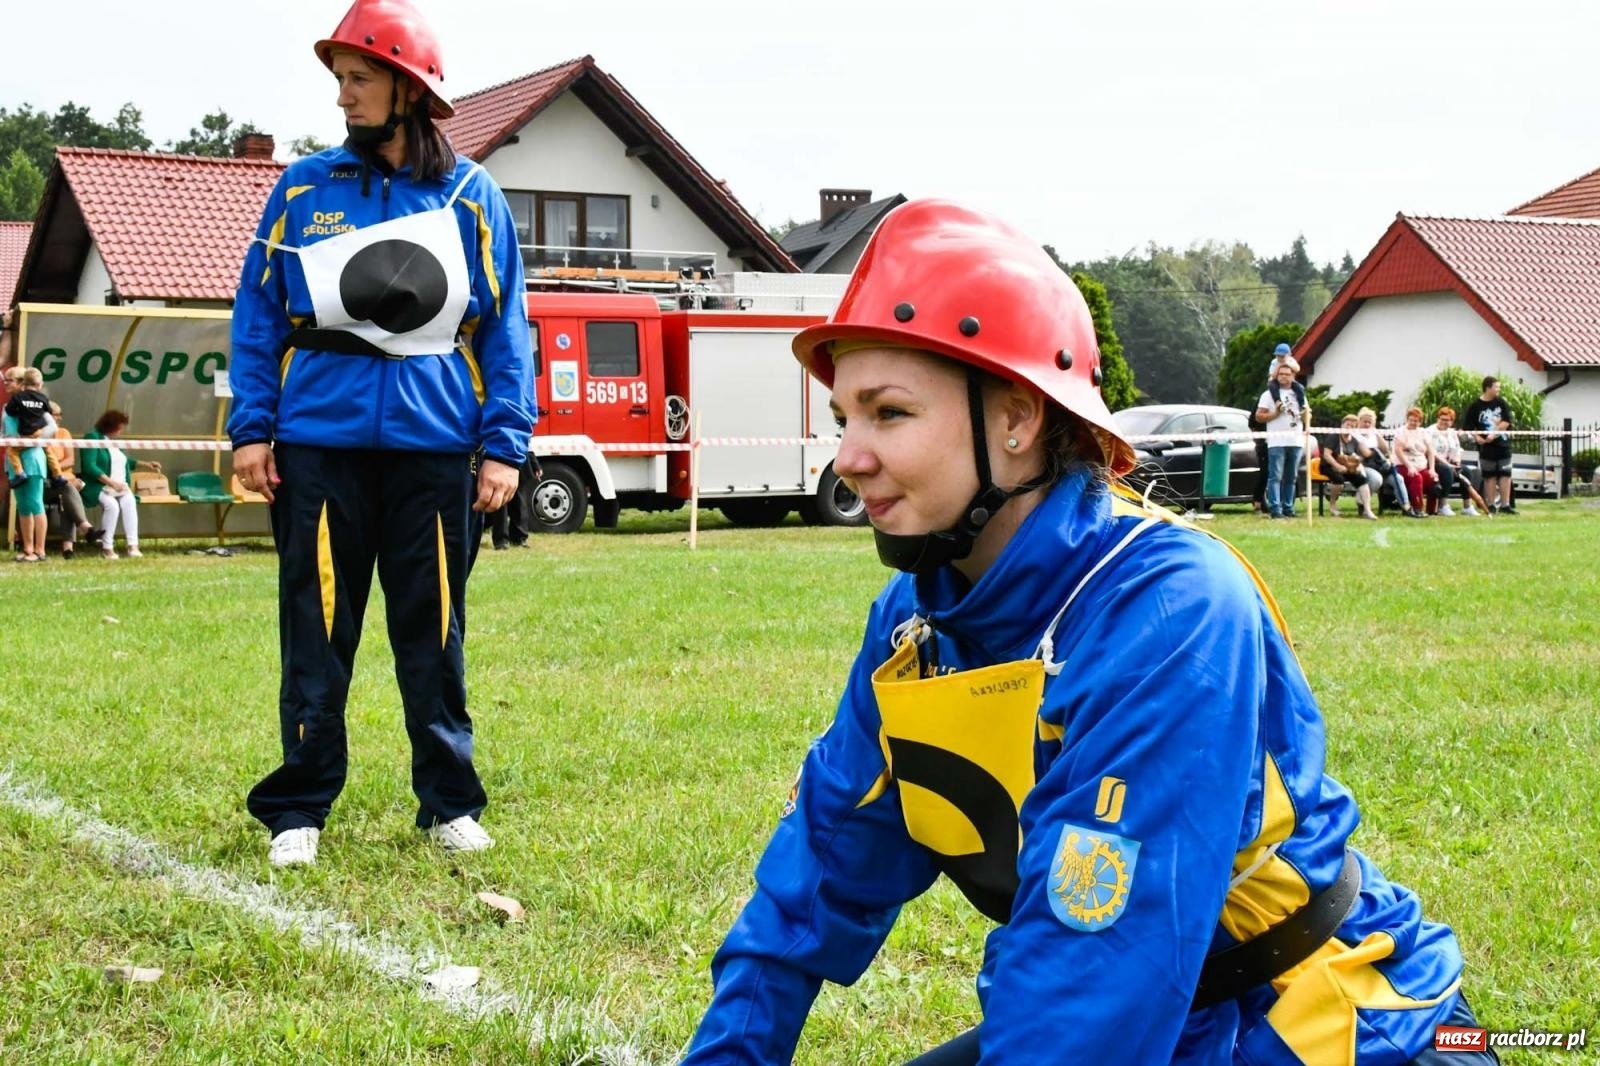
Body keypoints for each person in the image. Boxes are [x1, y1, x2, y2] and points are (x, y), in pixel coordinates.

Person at [683, 200, 1494, 1065]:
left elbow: (1090, 988)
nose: (847, 454)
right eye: (845, 415)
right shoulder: (916, 621)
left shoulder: (1170, 610)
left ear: (1017, 420)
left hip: (1334, 1029)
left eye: (887, 413)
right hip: (1158, 1022)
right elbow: (815, 874)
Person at [227, 0, 534, 868]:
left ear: (407, 86)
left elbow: (507, 327)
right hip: (316, 447)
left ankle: (448, 803)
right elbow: (256, 314)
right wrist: (254, 427)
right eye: (339, 80)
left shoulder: (473, 195)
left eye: (358, 79)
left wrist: (505, 443)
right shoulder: (302, 189)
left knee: (432, 631)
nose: (343, 97)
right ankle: (299, 808)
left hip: (436, 450)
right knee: (317, 630)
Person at [78, 410, 160, 559]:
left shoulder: (116, 442)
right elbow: (89, 466)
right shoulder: (92, 437)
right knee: (112, 506)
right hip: (99, 486)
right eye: (119, 427)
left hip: (120, 486)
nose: (121, 431)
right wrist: (111, 483)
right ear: (110, 426)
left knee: (129, 503)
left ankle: (133, 545)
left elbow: (123, 461)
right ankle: (107, 547)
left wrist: (146, 464)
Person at [3, 366, 56, 562]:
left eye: (10, 380)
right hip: (13, 459)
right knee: (23, 505)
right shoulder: (9, 406)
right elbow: (5, 430)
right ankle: (27, 549)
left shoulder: (36, 404)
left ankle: (40, 550)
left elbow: (52, 427)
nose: (6, 383)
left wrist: (32, 439)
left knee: (35, 502)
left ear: (21, 383)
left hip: (32, 458)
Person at [1252, 355, 1309, 519]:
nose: (1284, 376)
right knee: (1275, 476)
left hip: (1295, 440)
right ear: (1276, 375)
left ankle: (1288, 507)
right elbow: (1259, 416)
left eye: (1287, 374)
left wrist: (1306, 418)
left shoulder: (1299, 393)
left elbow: (1306, 415)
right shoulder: (1268, 394)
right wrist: (1275, 414)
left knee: (1291, 477)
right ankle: (1275, 509)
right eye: (1281, 374)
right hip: (1277, 440)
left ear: (1293, 376)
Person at [44, 401, 96, 558]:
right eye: (55, 415)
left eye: (60, 414)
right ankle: (83, 528)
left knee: (66, 493)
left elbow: (70, 460)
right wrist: (57, 471)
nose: (59, 418)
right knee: (67, 490)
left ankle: (68, 549)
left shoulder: (64, 433)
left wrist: (55, 469)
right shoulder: (38, 436)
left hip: (64, 480)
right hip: (47, 485)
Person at [1463, 376, 1515, 514]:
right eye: (1496, 387)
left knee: (1505, 474)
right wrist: (1477, 437)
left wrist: (1495, 433)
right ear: (1488, 388)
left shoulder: (1501, 403)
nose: (1498, 389)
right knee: (1489, 476)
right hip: (1486, 448)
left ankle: (1506, 505)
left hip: (1503, 445)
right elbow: (1468, 427)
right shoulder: (1475, 406)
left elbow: (1507, 421)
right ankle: (1491, 505)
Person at [1427, 406, 1489, 517]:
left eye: (1447, 420)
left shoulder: (1452, 433)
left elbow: (1457, 449)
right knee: (1447, 471)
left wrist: (1457, 461)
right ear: (1438, 418)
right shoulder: (1430, 432)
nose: (1444, 422)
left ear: (1451, 422)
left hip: (1450, 463)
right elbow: (1432, 452)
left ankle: (1467, 506)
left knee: (1466, 471)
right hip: (1435, 464)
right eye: (1442, 419)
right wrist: (1449, 464)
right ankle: (1443, 506)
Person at [1352, 407, 1408, 514]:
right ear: (1359, 421)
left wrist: (1377, 435)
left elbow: (1386, 450)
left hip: (1379, 465)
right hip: (1363, 466)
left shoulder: (1374, 434)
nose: (1367, 424)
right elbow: (1366, 453)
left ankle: (1406, 507)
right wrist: (1376, 452)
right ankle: (1361, 502)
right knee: (1376, 479)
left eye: (1370, 422)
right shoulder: (1355, 435)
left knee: (1398, 478)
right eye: (1365, 422)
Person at [1324, 413, 1380, 519]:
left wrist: (1357, 464)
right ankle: (1332, 505)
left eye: (1352, 426)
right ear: (1342, 425)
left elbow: (1358, 456)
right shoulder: (1333, 437)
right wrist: (1337, 466)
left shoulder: (1354, 440)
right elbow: (1326, 455)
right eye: (1347, 425)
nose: (1349, 428)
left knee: (1363, 480)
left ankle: (1367, 510)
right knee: (1338, 480)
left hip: (1347, 467)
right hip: (1330, 466)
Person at [1390, 406, 1437, 518]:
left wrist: (1432, 469)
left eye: (1416, 421)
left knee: (1433, 479)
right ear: (1407, 419)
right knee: (1416, 477)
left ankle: (1431, 510)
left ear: (1420, 421)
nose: (1413, 423)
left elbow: (1431, 452)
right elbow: (1398, 450)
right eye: (1411, 420)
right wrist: (1409, 466)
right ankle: (1417, 508)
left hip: (1421, 464)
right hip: (1403, 464)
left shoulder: (1423, 432)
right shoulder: (1401, 432)